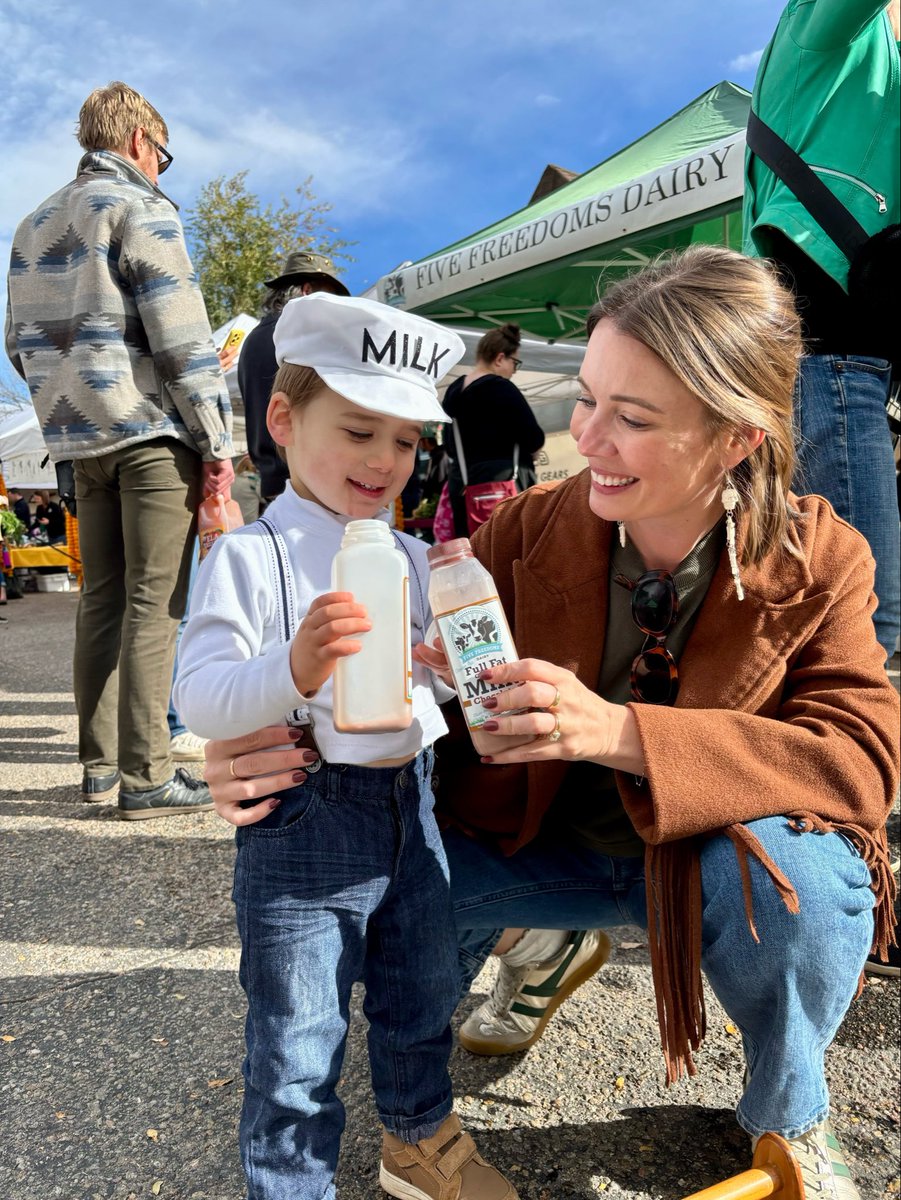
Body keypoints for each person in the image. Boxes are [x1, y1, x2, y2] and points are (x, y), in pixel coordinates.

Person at [202, 247, 899, 1200]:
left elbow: (859, 764)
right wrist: (257, 741)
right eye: (588, 401)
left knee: (803, 896)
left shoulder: (819, 554)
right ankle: (448, 1059)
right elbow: (383, 685)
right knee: (401, 880)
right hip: (540, 847)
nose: (591, 436)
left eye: (633, 418)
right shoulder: (522, 532)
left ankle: (789, 1113)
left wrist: (617, 733)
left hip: (703, 856)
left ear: (735, 439)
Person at [173, 294, 516, 1200]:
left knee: (419, 997)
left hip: (413, 807)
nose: (383, 460)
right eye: (359, 430)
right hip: (305, 826)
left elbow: (415, 688)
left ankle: (415, 1137)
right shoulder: (250, 555)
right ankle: (290, 1183)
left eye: (404, 441)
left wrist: (441, 671)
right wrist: (292, 666)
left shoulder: (408, 554)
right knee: (297, 1033)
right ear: (282, 421)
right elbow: (201, 697)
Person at [4, 81, 234, 818]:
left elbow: (19, 345)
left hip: (77, 439)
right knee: (153, 601)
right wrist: (217, 438)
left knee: (99, 598)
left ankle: (99, 768)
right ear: (139, 141)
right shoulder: (142, 206)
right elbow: (182, 336)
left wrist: (69, 405)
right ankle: (147, 775)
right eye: (163, 152)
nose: (163, 166)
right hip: (148, 432)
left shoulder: (32, 225)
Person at [743, 0, 901, 662]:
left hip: (850, 354)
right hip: (827, 347)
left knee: (853, 616)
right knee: (866, 629)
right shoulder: (826, 28)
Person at [238, 250, 350, 505]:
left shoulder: (253, 338)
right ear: (307, 291)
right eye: (329, 298)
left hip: (274, 484)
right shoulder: (302, 337)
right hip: (310, 486)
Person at [442, 323, 545, 538]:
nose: (514, 370)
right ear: (500, 358)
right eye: (514, 363)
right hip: (505, 482)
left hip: (464, 486)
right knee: (512, 549)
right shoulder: (501, 387)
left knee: (475, 552)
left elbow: (450, 446)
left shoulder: (453, 391)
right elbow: (533, 437)